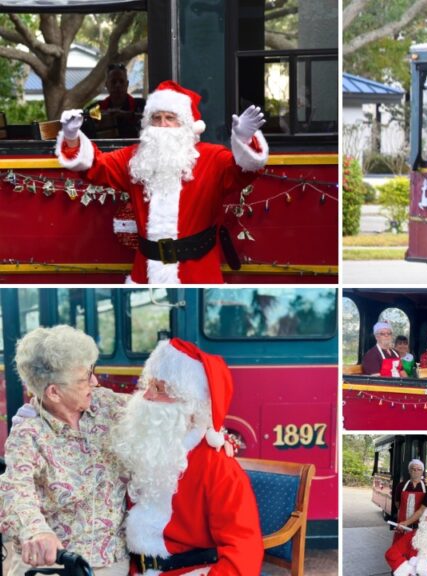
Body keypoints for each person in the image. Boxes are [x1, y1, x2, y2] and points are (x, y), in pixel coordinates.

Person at [57, 81, 269, 283]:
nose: (162, 125)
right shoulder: (135, 158)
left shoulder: (213, 158)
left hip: (197, 272)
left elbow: (245, 171)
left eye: (170, 117)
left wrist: (244, 139)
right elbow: (96, 166)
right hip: (145, 273)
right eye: (156, 118)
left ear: (187, 124)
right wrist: (72, 136)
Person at [110, 338, 263, 572]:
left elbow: (244, 550)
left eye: (159, 390)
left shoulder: (218, 466)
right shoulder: (145, 446)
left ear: (190, 404)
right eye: (148, 385)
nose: (146, 396)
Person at [0, 326, 130, 573]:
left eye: (92, 371)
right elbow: (15, 490)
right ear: (54, 392)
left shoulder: (106, 405)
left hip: (112, 562)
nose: (95, 381)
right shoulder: (28, 433)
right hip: (56, 565)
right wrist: (36, 531)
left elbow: (155, 414)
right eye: (84, 378)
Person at [83, 63, 144, 139]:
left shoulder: (141, 106)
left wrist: (129, 115)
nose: (118, 85)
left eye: (121, 81)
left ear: (127, 84)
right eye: (113, 82)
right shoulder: (96, 108)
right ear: (106, 85)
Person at [394, 459, 427, 536]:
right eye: (413, 469)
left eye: (419, 469)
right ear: (409, 471)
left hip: (421, 526)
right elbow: (397, 504)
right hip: (403, 524)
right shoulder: (401, 485)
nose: (416, 471)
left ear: (422, 472)